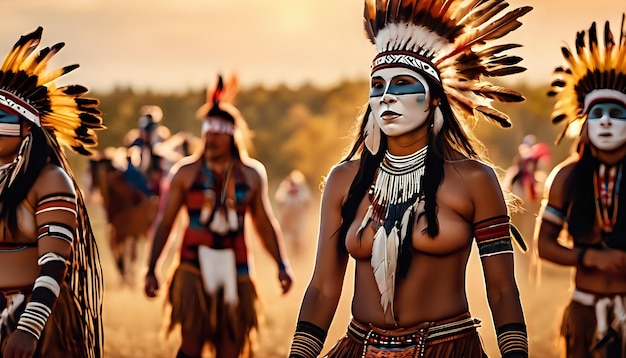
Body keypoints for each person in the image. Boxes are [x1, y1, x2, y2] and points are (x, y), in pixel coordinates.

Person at [288, 0, 531, 357]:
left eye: (402, 84)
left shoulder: (474, 180)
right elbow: (323, 288)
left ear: (434, 98)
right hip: (360, 347)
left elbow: (502, 289)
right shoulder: (345, 180)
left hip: (448, 349)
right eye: (377, 85)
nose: (386, 96)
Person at [144, 73, 293, 358]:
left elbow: (263, 224)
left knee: (232, 346)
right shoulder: (185, 173)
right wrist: (152, 267)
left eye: (217, 131)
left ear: (231, 135)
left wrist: (281, 264)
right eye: (207, 130)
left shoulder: (251, 175)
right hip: (192, 268)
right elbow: (166, 222)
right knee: (191, 345)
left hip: (236, 271)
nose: (210, 137)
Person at [0, 27, 105, 357]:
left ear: (27, 126)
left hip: (37, 322)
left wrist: (29, 330)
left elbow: (55, 264)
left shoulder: (50, 181)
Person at [536, 15, 626, 358]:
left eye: (616, 113)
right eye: (597, 112)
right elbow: (544, 246)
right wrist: (590, 258)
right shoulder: (567, 176)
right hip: (584, 311)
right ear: (583, 125)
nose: (604, 120)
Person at [124, 105, 170, 197]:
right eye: (145, 131)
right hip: (141, 187)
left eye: (149, 130)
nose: (146, 134)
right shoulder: (137, 144)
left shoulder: (160, 143)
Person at [275, 169, 311, 252]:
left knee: (298, 238)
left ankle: (298, 252)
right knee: (285, 236)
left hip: (298, 219)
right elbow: (279, 202)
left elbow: (307, 203)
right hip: (286, 218)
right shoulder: (284, 189)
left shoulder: (303, 190)